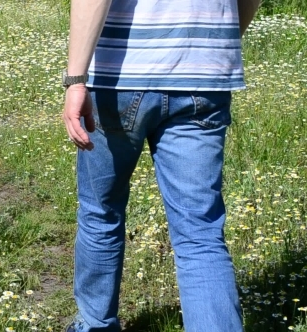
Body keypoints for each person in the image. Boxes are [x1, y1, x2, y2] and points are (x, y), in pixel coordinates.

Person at [61, 0, 261, 331]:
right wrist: (215, 44)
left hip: (119, 76)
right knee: (200, 233)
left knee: (101, 211)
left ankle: (95, 325)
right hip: (204, 76)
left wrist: (76, 79)